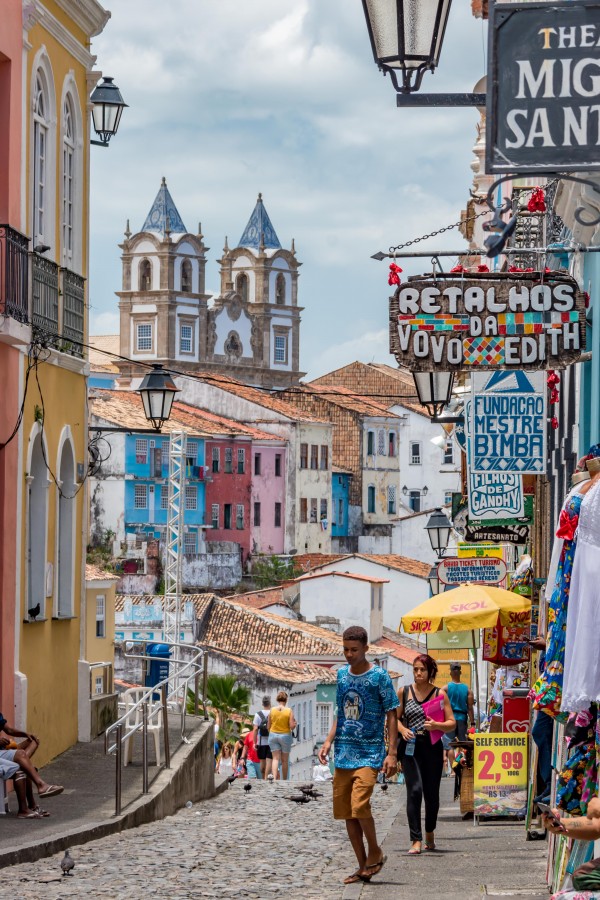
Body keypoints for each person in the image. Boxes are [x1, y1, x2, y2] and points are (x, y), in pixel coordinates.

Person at [319, 625, 398, 885]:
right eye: (345, 649)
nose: (349, 654)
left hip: (370, 752)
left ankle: (375, 850)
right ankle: (363, 865)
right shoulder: (341, 676)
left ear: (366, 648)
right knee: (347, 813)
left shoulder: (379, 677)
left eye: (354, 650)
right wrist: (328, 741)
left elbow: (392, 715)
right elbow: (339, 713)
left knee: (359, 804)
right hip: (343, 752)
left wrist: (392, 753)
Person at [397, 654, 456, 855]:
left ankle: (429, 830)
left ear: (430, 671)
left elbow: (452, 722)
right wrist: (402, 729)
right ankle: (416, 839)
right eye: (415, 669)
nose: (418, 673)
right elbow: (393, 719)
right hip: (410, 746)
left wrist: (436, 725)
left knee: (431, 796)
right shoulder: (404, 692)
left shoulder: (440, 694)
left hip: (431, 746)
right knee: (414, 791)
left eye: (422, 669)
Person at [0, 712, 63, 799]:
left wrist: (25, 734)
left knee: (34, 741)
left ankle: (23, 763)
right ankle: (41, 785)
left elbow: (9, 730)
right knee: (26, 765)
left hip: (3, 751)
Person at [442, 664, 474, 769]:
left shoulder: (445, 689)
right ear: (460, 673)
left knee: (450, 744)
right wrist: (473, 723)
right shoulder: (467, 690)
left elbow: (438, 704)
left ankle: (453, 769)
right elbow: (470, 708)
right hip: (462, 718)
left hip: (449, 719)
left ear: (450, 673)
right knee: (462, 743)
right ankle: (463, 766)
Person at [267, 691, 297, 781]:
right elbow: (291, 726)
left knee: (275, 758)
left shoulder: (272, 710)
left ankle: (275, 779)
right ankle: (284, 780)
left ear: (277, 699)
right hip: (285, 736)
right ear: (286, 700)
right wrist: (295, 724)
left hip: (273, 734)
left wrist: (272, 732)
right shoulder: (288, 711)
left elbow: (268, 725)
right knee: (284, 760)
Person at [252, 696, 273, 779]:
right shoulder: (273, 713)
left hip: (261, 742)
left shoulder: (258, 715)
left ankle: (263, 777)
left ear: (262, 704)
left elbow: (255, 729)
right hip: (271, 741)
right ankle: (266, 779)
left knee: (262, 762)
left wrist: (254, 743)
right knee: (269, 761)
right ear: (270, 703)